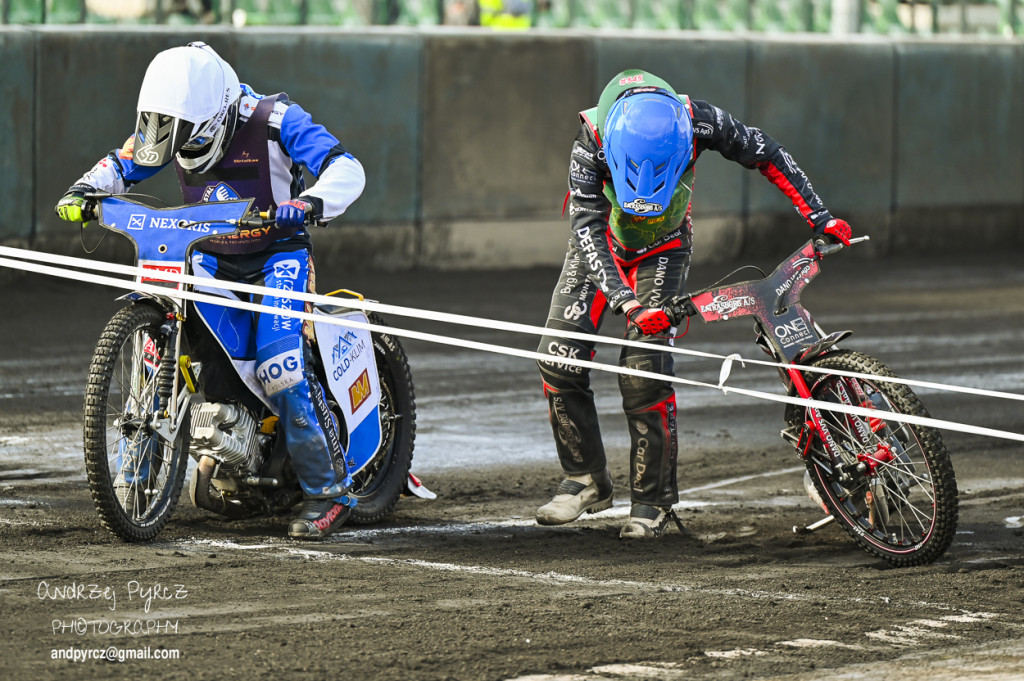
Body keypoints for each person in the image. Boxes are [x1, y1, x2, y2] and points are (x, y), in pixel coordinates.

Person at [55, 42, 367, 540]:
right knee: (159, 349)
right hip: (205, 251)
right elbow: (124, 160)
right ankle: (139, 474)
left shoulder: (275, 119)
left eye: (189, 139)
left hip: (277, 254)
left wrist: (307, 203)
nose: (181, 149)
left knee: (280, 364)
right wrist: (83, 190)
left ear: (217, 116)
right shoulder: (174, 122)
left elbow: (346, 166)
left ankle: (330, 492)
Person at [535, 69, 852, 539]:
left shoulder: (699, 120)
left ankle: (653, 501)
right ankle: (585, 481)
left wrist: (819, 214)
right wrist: (625, 301)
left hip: (663, 251)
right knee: (557, 358)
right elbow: (585, 227)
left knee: (642, 368)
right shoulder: (591, 138)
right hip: (599, 246)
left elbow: (766, 151)